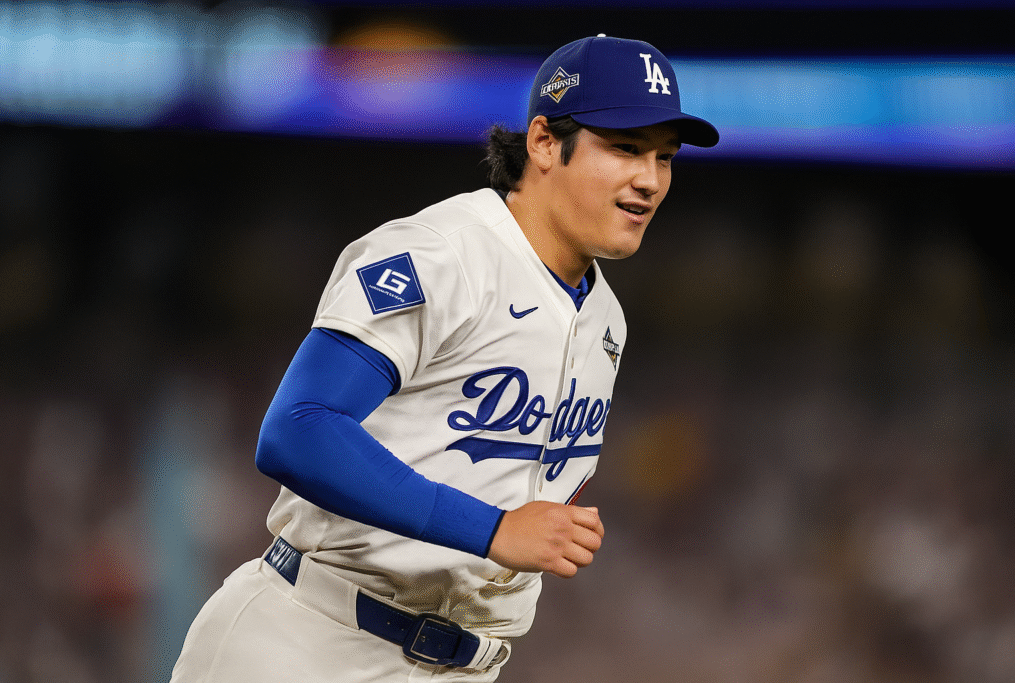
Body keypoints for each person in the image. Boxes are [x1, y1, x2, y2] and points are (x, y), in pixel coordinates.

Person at [170, 34, 718, 683]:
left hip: (462, 663)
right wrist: (492, 529)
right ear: (545, 142)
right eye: (625, 148)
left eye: (664, 157)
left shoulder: (606, 319)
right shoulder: (442, 254)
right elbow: (299, 428)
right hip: (312, 641)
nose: (649, 179)